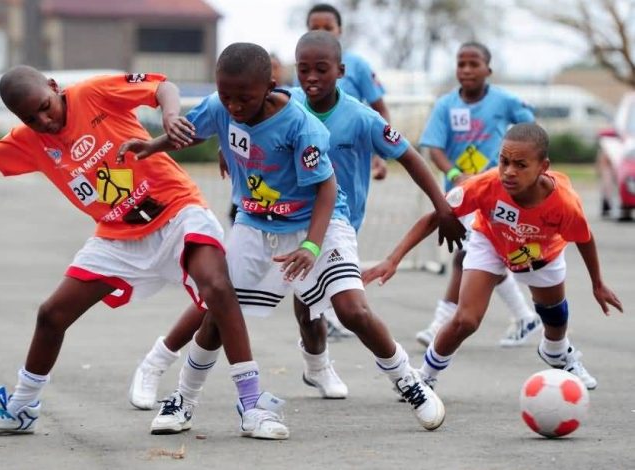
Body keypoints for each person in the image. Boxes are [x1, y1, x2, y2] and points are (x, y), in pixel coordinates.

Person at [0, 65, 286, 439]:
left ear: (54, 86)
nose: (43, 120)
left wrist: (171, 116)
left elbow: (163, 87)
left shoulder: (94, 93)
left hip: (177, 210)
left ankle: (251, 404)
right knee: (52, 314)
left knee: (217, 288)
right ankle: (21, 409)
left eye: (45, 107)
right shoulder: (28, 141)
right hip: (118, 235)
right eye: (29, 117)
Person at [122, 42, 458, 434]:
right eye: (226, 96)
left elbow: (328, 190)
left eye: (243, 98)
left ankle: (409, 381)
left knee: (352, 310)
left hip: (319, 222)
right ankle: (182, 400)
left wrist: (312, 246)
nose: (232, 106)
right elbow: (195, 131)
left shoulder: (303, 126)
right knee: (218, 314)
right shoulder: (222, 105)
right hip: (256, 223)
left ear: (269, 85)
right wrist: (155, 144)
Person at [363, 123, 624, 395]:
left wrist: (598, 283)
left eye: (521, 165)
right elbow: (436, 216)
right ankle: (423, 378)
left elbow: (584, 238)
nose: (509, 171)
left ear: (543, 166)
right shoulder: (486, 185)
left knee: (555, 317)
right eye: (504, 161)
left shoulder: (565, 203)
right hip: (490, 241)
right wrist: (393, 259)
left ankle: (557, 352)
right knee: (466, 320)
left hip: (540, 251)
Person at [416, 41, 542, 348]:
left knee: (468, 255)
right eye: (461, 64)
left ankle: (439, 323)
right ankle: (525, 316)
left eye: (474, 64)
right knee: (481, 257)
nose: (467, 70)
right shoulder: (446, 105)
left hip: (494, 195)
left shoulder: (502, 101)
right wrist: (455, 174)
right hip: (461, 195)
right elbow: (433, 148)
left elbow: (530, 126)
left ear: (489, 69)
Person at [304, 3, 390, 185]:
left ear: (340, 30)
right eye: (315, 28)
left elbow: (380, 110)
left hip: (349, 155)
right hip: (312, 155)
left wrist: (379, 154)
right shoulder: (303, 69)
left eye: (328, 28)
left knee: (348, 205)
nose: (322, 33)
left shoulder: (358, 66)